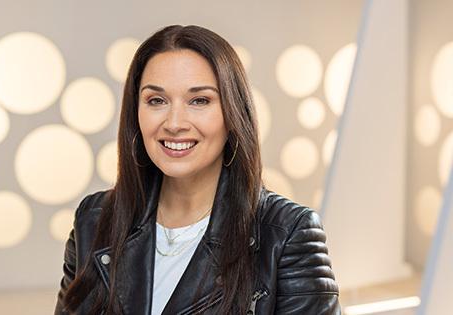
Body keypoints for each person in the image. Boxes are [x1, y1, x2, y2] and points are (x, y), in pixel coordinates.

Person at [55, 24, 340, 315]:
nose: (175, 123)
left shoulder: (288, 232)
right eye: (157, 100)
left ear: (233, 113)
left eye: (199, 100)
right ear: (135, 112)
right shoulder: (95, 220)